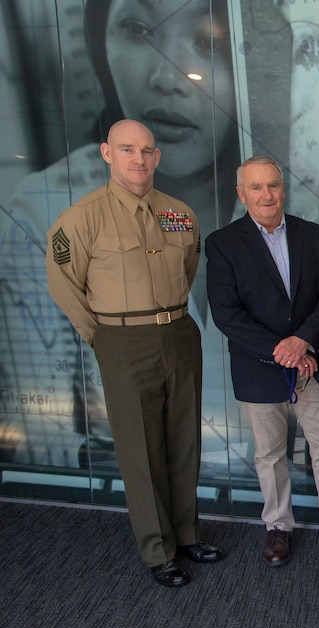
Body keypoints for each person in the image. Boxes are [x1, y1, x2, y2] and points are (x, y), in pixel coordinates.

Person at [0, 0, 238, 469]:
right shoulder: (43, 209)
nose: (167, 78)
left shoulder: (291, 210)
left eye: (210, 42)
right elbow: (46, 441)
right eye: (137, 28)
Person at [45, 119, 225, 586]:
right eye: (127, 149)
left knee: (185, 442)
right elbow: (65, 289)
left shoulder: (180, 214)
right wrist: (104, 339)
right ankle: (157, 549)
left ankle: (186, 534)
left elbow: (187, 271)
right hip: (123, 341)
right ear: (107, 153)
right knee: (140, 450)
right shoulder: (80, 219)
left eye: (147, 151)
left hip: (179, 333)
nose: (138, 159)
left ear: (157, 157)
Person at [205, 156, 319, 567]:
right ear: (241, 193)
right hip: (260, 369)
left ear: (283, 188)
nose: (266, 194)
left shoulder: (314, 235)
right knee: (270, 454)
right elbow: (227, 315)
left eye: (272, 185)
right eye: (255, 187)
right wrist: (284, 352)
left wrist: (303, 342)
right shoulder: (222, 243)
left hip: (312, 363)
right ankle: (278, 526)